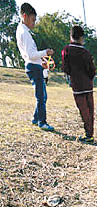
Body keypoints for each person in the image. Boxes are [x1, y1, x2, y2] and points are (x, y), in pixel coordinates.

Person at [16, 3, 55, 131]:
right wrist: (45, 52)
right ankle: (42, 122)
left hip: (34, 65)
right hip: (33, 66)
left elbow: (30, 55)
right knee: (41, 96)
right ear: (25, 16)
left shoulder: (22, 30)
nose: (34, 23)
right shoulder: (25, 33)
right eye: (33, 20)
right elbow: (31, 54)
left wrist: (41, 61)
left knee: (42, 96)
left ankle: (35, 118)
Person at [61, 25, 96, 143]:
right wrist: (90, 78)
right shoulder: (86, 52)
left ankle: (89, 134)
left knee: (83, 110)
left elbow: (65, 68)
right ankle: (90, 133)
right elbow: (92, 70)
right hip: (88, 85)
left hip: (77, 85)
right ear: (82, 37)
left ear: (71, 36)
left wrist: (72, 76)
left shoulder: (66, 50)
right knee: (90, 110)